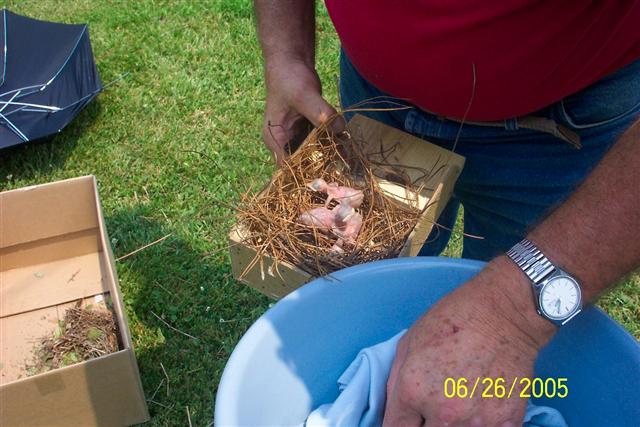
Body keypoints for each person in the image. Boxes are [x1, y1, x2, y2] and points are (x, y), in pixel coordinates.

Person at [253, 1, 640, 426]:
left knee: (501, 375)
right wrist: (285, 52)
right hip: (375, 95)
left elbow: (513, 322)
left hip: (561, 128)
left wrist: (512, 314)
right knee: (374, 311)